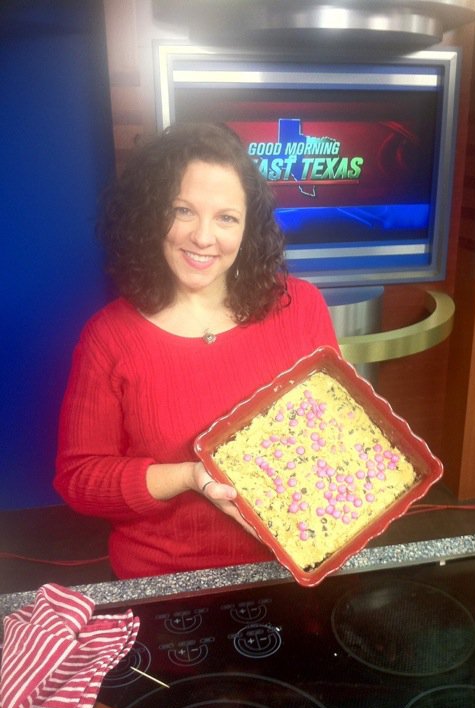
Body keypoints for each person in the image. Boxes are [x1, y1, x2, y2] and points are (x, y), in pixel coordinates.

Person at [54, 122, 340, 579]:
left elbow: (334, 433)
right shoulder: (108, 337)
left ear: (248, 228)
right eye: (183, 210)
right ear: (151, 214)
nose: (204, 237)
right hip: (166, 580)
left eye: (226, 218)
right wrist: (189, 476)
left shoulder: (301, 307)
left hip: (293, 568)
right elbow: (80, 480)